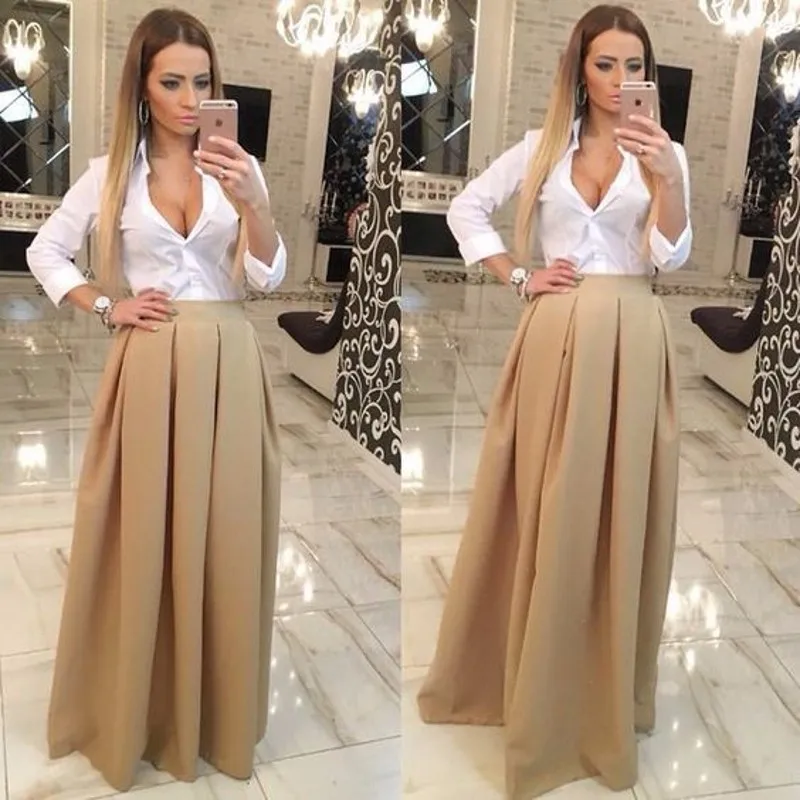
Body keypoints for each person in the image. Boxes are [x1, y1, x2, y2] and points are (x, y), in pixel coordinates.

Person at [416, 5, 692, 799]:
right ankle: (519, 681)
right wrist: (517, 273)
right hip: (553, 334)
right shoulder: (543, 147)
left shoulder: (665, 153)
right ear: (579, 69)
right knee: (540, 503)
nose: (620, 80)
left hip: (634, 335)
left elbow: (671, 254)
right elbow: (466, 209)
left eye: (634, 66)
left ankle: (599, 694)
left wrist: (668, 180)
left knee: (617, 514)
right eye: (605, 64)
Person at [26, 8, 286, 792]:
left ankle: (214, 713)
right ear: (141, 86)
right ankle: (135, 708)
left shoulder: (237, 168)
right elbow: (46, 250)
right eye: (172, 82)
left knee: (225, 538)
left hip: (229, 364)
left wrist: (255, 204)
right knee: (141, 538)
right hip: (147, 366)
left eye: (202, 82)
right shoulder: (110, 171)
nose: (189, 99)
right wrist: (107, 305)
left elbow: (266, 275)